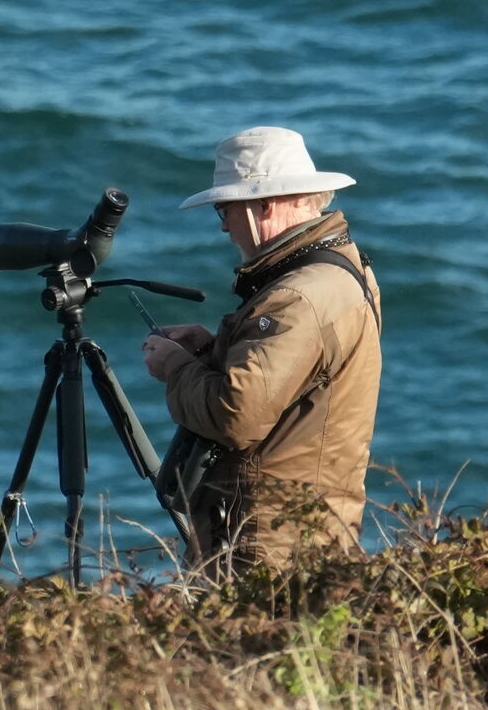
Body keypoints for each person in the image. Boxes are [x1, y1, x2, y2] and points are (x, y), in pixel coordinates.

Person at [140, 126, 383, 572]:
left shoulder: (297, 296)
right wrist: (217, 349)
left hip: (270, 540)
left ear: (263, 206)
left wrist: (176, 368)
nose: (224, 228)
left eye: (223, 211)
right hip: (310, 521)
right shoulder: (343, 268)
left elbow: (238, 416)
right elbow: (299, 379)